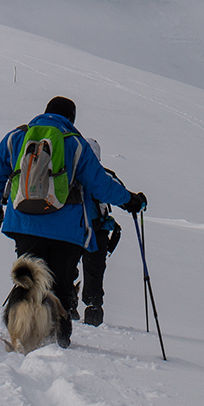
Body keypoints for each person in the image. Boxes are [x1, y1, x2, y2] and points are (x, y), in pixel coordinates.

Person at [0, 96, 145, 346]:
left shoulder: (17, 138)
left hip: (25, 223)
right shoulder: (76, 144)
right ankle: (57, 343)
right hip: (66, 231)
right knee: (60, 286)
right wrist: (129, 200)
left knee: (29, 278)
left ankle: (23, 333)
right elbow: (100, 185)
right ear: (71, 119)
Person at [78, 137, 123, 326]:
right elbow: (118, 191)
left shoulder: (71, 174)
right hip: (98, 232)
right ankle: (93, 313)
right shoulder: (104, 175)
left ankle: (67, 307)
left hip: (71, 229)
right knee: (94, 272)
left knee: (66, 268)